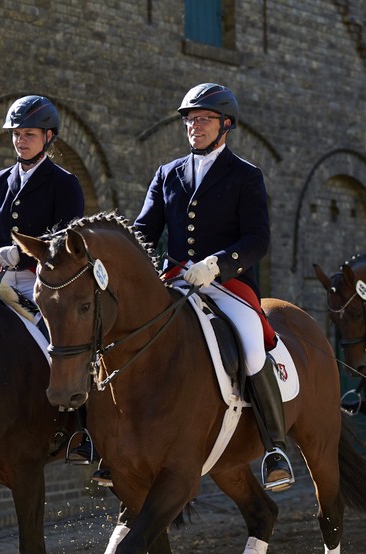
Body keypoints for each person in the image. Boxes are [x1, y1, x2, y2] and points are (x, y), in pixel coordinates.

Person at [133, 82, 294, 492]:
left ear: (225, 125)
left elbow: (258, 239)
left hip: (227, 285)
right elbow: (144, 232)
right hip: (175, 282)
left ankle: (274, 446)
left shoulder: (245, 175)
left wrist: (217, 265)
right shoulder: (167, 173)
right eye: (190, 119)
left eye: (203, 119)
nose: (194, 126)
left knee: (253, 342)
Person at [0, 95, 96, 464]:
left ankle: (84, 430)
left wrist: (21, 253)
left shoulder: (64, 183)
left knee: (66, 345)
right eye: (17, 134)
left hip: (46, 285)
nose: (21, 140)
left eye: (29, 134)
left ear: (48, 137)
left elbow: (64, 237)